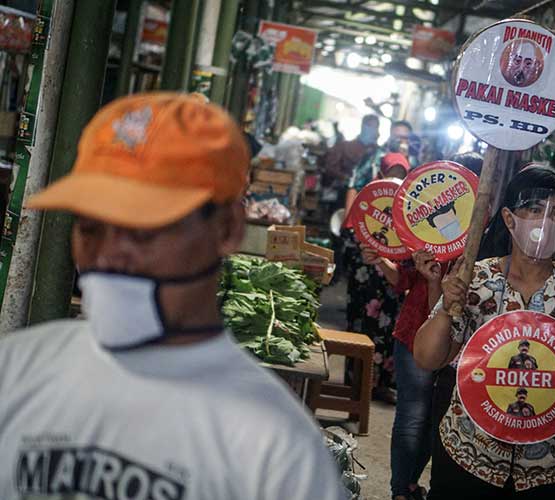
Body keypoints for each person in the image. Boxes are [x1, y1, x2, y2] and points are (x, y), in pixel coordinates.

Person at [0, 93, 346, 500]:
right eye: (91, 227)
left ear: (228, 229)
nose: (109, 253)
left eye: (144, 228)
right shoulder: (15, 370)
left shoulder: (276, 451)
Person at [414, 166, 555, 500]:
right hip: (470, 457)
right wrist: (447, 304)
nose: (546, 222)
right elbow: (426, 358)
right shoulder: (473, 279)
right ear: (509, 219)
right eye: (535, 210)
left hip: (553, 468)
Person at [361, 152, 483, 500]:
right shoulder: (424, 225)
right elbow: (402, 281)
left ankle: (409, 484)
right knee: (414, 415)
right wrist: (381, 259)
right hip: (415, 335)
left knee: (436, 420)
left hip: (464, 348)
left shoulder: (487, 240)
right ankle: (402, 490)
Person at [343, 152, 411, 401]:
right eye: (391, 174)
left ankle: (381, 384)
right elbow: (351, 235)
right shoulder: (367, 200)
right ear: (381, 174)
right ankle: (356, 384)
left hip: (391, 281)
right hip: (366, 280)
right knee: (362, 326)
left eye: (401, 176)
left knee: (388, 329)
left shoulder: (407, 207)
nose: (395, 180)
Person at [345, 120, 413, 215]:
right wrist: (347, 220)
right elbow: (354, 186)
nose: (400, 141)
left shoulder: (414, 163)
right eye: (396, 137)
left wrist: (405, 159)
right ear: (390, 135)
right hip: (369, 211)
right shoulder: (374, 156)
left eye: (404, 138)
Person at [323, 114, 379, 188]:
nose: (371, 129)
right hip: (344, 189)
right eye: (369, 125)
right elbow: (330, 167)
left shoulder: (378, 152)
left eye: (375, 127)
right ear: (362, 126)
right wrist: (346, 178)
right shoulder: (344, 146)